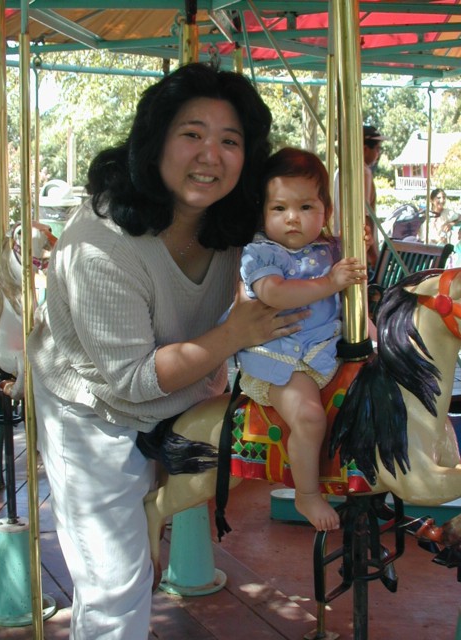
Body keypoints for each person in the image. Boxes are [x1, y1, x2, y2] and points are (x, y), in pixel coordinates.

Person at [27, 63, 307, 640]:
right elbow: (129, 379)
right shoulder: (100, 246)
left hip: (183, 393)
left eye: (230, 141)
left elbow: (296, 237)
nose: (211, 154)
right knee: (114, 585)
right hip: (95, 409)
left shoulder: (229, 224)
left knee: (145, 553)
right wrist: (235, 335)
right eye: (192, 134)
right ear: (154, 141)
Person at [234, 147, 367, 532]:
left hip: (327, 353)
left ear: (325, 210)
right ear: (263, 212)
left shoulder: (329, 249)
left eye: (306, 207)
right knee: (308, 417)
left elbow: (353, 281)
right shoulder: (260, 254)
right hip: (280, 360)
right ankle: (307, 494)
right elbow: (275, 293)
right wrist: (329, 282)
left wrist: (359, 247)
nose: (293, 218)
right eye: (280, 209)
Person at [333, 124, 387, 273]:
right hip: (359, 251)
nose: (378, 153)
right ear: (364, 149)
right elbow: (363, 216)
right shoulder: (363, 172)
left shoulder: (339, 172)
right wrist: (374, 256)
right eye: (377, 149)